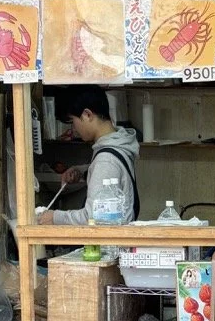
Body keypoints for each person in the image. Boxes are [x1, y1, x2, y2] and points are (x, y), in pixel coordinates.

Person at [37, 88, 140, 227]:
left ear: (87, 114)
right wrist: (83, 172)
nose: (74, 129)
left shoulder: (105, 161)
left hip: (109, 246)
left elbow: (95, 219)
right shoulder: (119, 146)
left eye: (73, 121)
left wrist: (54, 217)